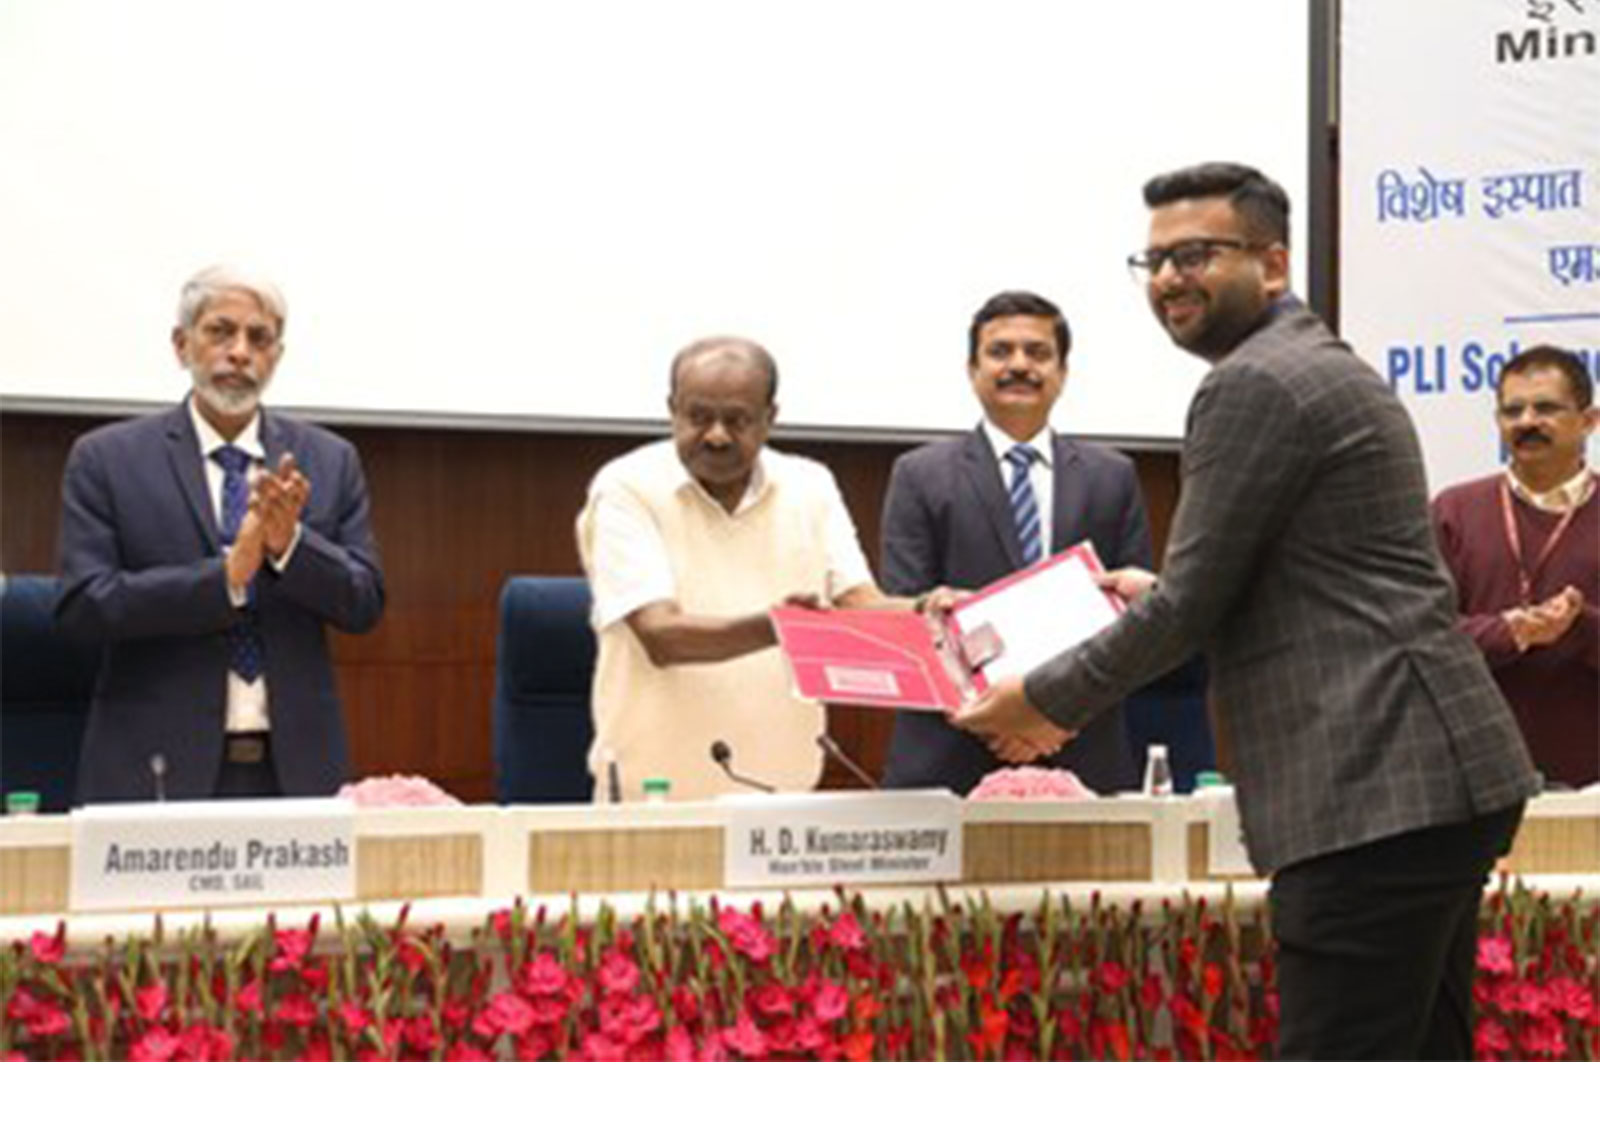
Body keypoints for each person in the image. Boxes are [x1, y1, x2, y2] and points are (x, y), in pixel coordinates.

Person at [952, 163, 1539, 1060]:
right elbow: (1307, 576)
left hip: (1374, 786)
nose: (1169, 279)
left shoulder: (1254, 383)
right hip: (1423, 779)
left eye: (1195, 254)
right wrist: (1164, 599)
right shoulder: (1305, 362)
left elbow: (1189, 607)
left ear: (1272, 263)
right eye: (1151, 262)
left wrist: (1039, 700)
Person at [56, 265, 385, 802]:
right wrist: (224, 579)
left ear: (276, 358)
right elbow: (83, 608)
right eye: (220, 331)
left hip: (296, 772)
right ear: (182, 345)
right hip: (152, 769)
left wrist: (289, 548)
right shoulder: (107, 459)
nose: (239, 352)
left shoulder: (327, 460)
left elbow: (364, 602)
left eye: (259, 338)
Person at [576, 336, 902, 801]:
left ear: (771, 418)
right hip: (653, 798)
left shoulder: (811, 485)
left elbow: (859, 603)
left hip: (785, 799)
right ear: (672, 409)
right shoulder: (627, 488)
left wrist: (930, 608)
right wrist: (780, 626)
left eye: (737, 420)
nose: (716, 435)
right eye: (699, 417)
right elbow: (662, 637)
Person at [879, 290, 1152, 794]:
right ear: (972, 369)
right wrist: (1001, 721)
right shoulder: (919, 475)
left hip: (1082, 749)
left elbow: (1136, 626)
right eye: (1000, 352)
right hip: (950, 754)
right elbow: (905, 615)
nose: (1019, 365)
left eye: (1038, 352)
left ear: (1063, 373)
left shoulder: (1112, 477)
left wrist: (1052, 718)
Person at [1432, 345, 1598, 788]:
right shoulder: (1454, 510)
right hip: (1473, 776)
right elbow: (1419, 635)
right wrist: (1509, 632)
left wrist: (1578, 625)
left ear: (1589, 420)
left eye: (1545, 408)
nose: (1526, 421)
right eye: (1512, 410)